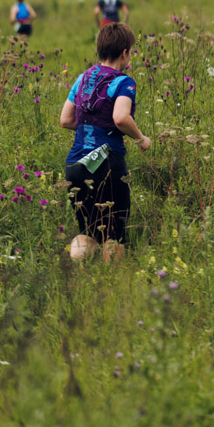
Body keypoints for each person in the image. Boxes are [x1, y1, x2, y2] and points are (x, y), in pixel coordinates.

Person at [58, 22, 150, 263]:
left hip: (76, 165)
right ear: (125, 53)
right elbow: (120, 118)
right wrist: (141, 138)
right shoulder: (124, 82)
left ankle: (77, 273)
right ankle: (111, 281)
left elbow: (66, 120)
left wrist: (90, 126)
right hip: (107, 164)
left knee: (88, 230)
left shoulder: (82, 78)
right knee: (114, 233)